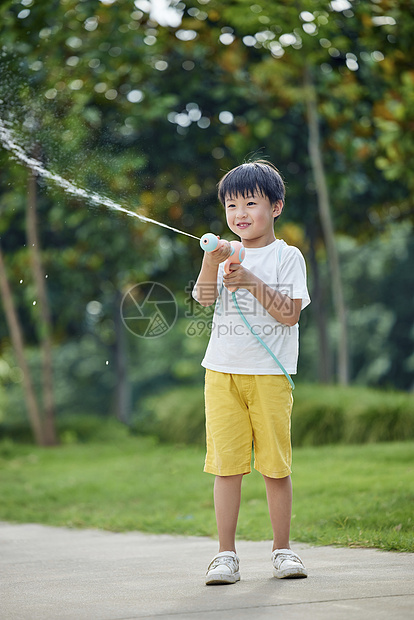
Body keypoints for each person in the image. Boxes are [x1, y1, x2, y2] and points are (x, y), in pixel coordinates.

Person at [192, 160, 310, 585]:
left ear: (275, 207)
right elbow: (204, 299)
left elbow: (290, 316)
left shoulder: (287, 256)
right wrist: (212, 260)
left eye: (250, 203)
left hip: (269, 377)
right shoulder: (224, 255)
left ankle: (283, 550)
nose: (240, 213)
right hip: (221, 374)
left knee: (275, 466)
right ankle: (226, 555)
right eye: (231, 205)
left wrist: (250, 281)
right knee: (227, 467)